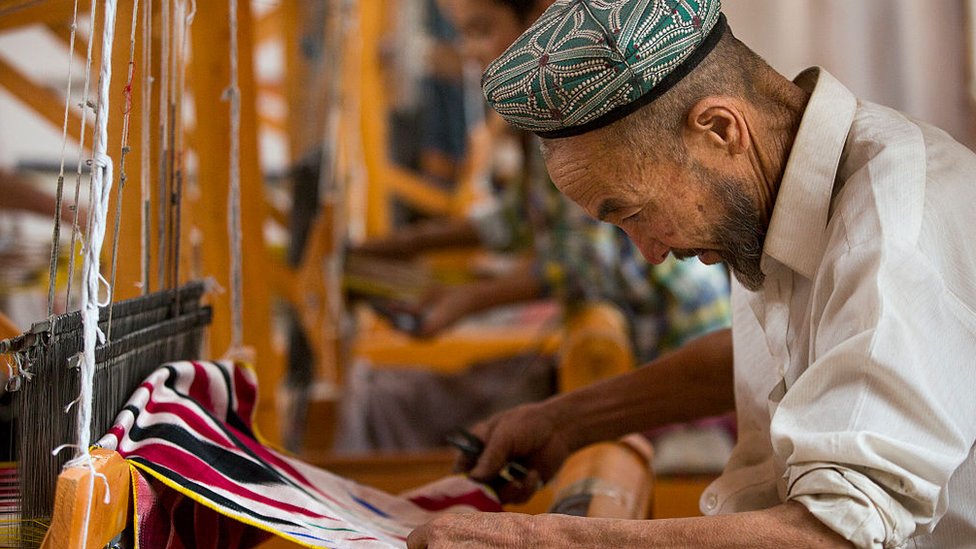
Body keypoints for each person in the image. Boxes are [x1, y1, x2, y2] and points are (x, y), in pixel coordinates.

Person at [406, 0, 976, 547]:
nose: (649, 252)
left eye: (633, 213)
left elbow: (836, 537)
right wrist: (566, 420)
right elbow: (781, 359)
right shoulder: (796, 185)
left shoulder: (891, 230)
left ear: (721, 130)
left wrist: (545, 540)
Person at [357, 0, 731, 364]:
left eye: (482, 30)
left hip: (682, 338)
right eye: (464, 35)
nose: (469, 53)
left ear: (540, 18)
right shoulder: (541, 117)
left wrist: (469, 299)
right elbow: (519, 217)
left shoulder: (576, 116)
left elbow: (584, 265)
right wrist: (409, 244)